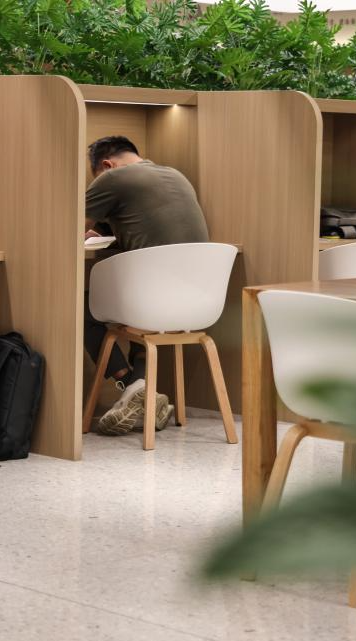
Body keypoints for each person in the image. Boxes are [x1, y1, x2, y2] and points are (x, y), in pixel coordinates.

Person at [84, 135, 209, 436]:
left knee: (77, 308)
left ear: (106, 165)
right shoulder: (175, 175)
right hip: (199, 301)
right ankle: (143, 394)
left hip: (151, 299)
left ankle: (130, 385)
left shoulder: (113, 178)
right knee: (145, 319)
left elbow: (66, 226)